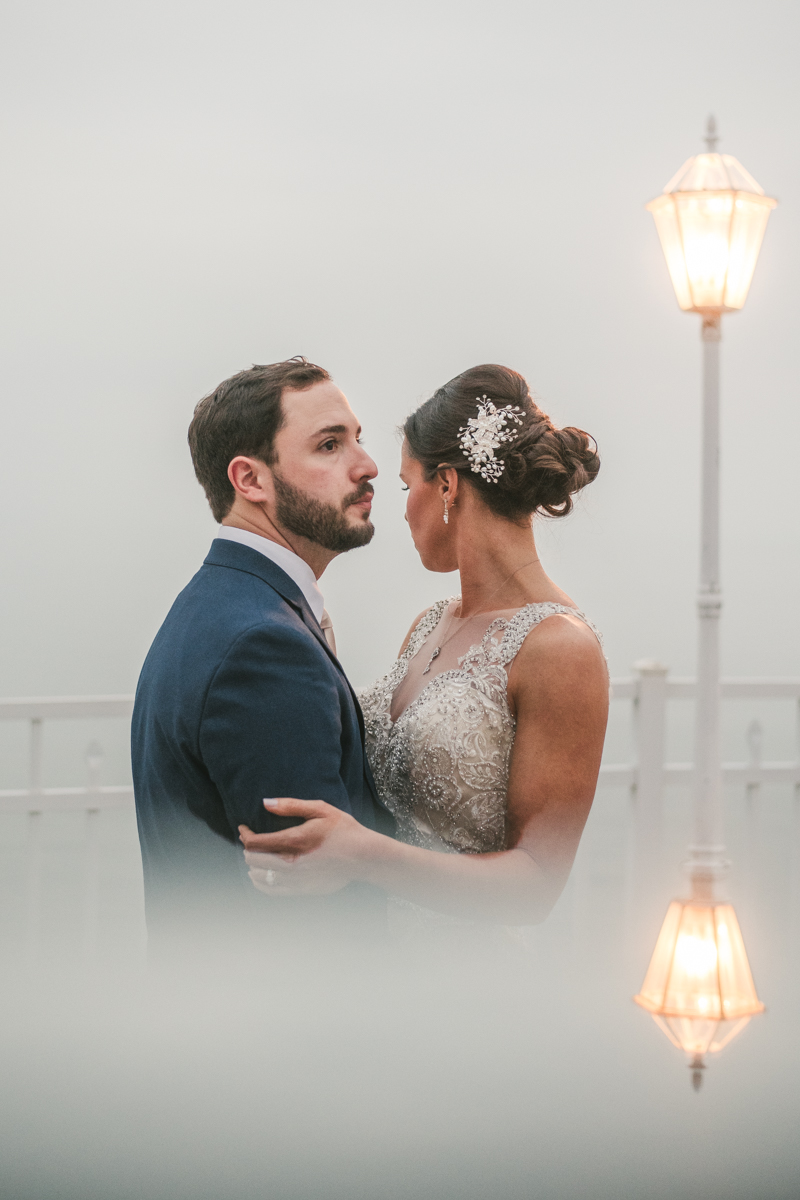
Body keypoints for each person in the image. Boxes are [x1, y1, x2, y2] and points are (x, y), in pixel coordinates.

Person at [240, 364, 609, 926]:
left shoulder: (561, 647)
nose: (402, 508)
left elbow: (537, 885)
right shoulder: (429, 624)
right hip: (375, 962)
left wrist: (362, 854)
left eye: (406, 486)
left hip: (466, 980)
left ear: (447, 487)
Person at [131, 358, 395, 955]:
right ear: (250, 480)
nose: (368, 465)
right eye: (330, 445)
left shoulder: (219, 603)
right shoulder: (262, 645)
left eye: (358, 438)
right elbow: (316, 908)